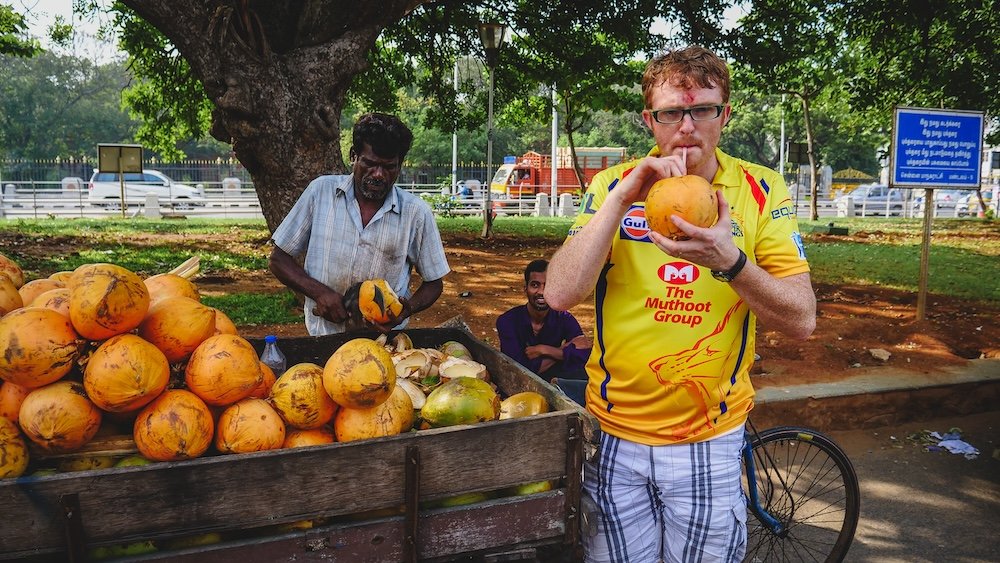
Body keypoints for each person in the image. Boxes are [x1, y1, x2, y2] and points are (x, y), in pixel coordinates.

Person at [545, 46, 816, 562]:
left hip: (708, 437)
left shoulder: (761, 190)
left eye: (702, 109)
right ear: (650, 119)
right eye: (671, 112)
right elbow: (559, 294)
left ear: (726, 114)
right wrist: (623, 200)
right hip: (614, 436)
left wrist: (730, 261)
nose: (686, 127)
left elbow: (801, 319)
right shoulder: (613, 184)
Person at [269, 112, 451, 336]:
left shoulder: (415, 213)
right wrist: (319, 293)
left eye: (389, 167)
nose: (378, 175)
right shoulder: (320, 192)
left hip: (385, 341)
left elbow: (434, 283)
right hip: (324, 336)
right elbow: (279, 259)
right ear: (353, 156)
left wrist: (405, 311)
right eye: (370, 163)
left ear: (400, 164)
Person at [496, 259, 592, 383]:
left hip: (554, 382)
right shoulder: (507, 321)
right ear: (525, 288)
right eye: (535, 285)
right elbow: (519, 369)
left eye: (547, 285)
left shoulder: (563, 317)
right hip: (519, 387)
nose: (541, 292)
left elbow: (584, 353)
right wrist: (563, 352)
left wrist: (545, 350)